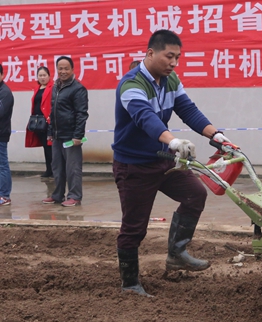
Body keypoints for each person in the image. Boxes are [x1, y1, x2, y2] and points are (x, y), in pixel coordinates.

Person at [112, 29, 233, 296]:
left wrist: (216, 134)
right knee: (134, 228)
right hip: (134, 166)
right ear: (151, 53)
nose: (174, 63)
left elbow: (187, 109)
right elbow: (145, 117)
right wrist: (172, 140)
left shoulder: (170, 80)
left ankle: (177, 253)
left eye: (178, 57)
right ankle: (130, 284)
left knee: (195, 193)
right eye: (169, 56)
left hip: (162, 160)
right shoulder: (131, 85)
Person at [42, 56, 89, 206]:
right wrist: (50, 132)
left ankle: (75, 196)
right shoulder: (56, 86)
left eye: (66, 68)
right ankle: (57, 195)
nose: (63, 71)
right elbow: (53, 112)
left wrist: (78, 136)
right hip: (57, 135)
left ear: (72, 70)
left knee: (73, 169)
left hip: (71, 137)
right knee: (57, 168)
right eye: (60, 68)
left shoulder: (78, 89)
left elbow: (81, 114)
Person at [25, 66, 53, 178]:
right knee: (45, 147)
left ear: (49, 76)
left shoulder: (52, 87)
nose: (42, 77)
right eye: (40, 75)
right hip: (38, 122)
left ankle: (54, 169)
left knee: (50, 146)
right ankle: (48, 169)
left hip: (47, 121)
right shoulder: (37, 88)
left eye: (44, 75)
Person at [0, 64, 14, 206]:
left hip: (1, 134)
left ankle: (4, 195)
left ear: (2, 75)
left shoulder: (5, 92)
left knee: (2, 165)